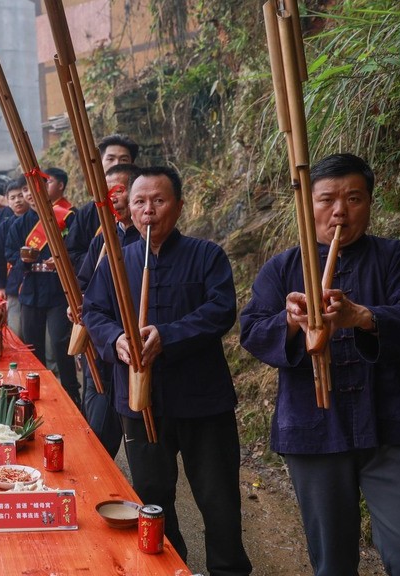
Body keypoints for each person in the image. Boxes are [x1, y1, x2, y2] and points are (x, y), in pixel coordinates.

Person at [240, 153, 400, 576]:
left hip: (394, 424)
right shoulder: (282, 267)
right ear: (308, 206)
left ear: (370, 203)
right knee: (332, 563)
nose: (340, 210)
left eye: (353, 198)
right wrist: (289, 320)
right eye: (327, 200)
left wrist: (361, 317)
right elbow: (251, 330)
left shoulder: (399, 259)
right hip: (314, 427)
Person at [83, 166, 251, 574]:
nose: (148, 211)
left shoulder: (206, 255)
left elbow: (220, 310)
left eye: (159, 201)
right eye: (140, 202)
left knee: (219, 499)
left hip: (202, 401)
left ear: (178, 205)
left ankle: (228, 570)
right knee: (152, 499)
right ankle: (171, 567)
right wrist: (115, 340)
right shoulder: (116, 260)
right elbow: (94, 311)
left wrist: (168, 336)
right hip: (140, 403)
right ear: (128, 208)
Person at [75, 163, 142, 459]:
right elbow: (84, 284)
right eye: (107, 191)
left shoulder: (150, 240)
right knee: (98, 434)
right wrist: (77, 305)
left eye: (119, 190)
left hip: (138, 351)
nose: (112, 197)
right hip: (104, 348)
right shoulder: (103, 237)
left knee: (141, 441)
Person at [5, 170, 82, 408]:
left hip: (59, 290)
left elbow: (79, 248)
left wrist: (63, 258)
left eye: (34, 188)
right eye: (25, 190)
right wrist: (22, 259)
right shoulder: (19, 224)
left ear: (47, 188)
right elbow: (9, 253)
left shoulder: (67, 217)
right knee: (32, 343)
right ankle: (35, 396)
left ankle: (71, 395)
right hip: (31, 290)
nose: (28, 194)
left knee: (61, 343)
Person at [66, 134, 140, 271]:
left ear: (132, 164)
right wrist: (101, 261)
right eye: (110, 159)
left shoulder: (143, 208)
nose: (117, 164)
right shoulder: (88, 212)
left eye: (124, 159)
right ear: (99, 162)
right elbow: (72, 253)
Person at [0, 178, 29, 334]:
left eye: (20, 195)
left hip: (36, 281)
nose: (17, 201)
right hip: (13, 282)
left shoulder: (38, 222)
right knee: (15, 329)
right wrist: (1, 284)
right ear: (7, 201)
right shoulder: (4, 227)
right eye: (13, 198)